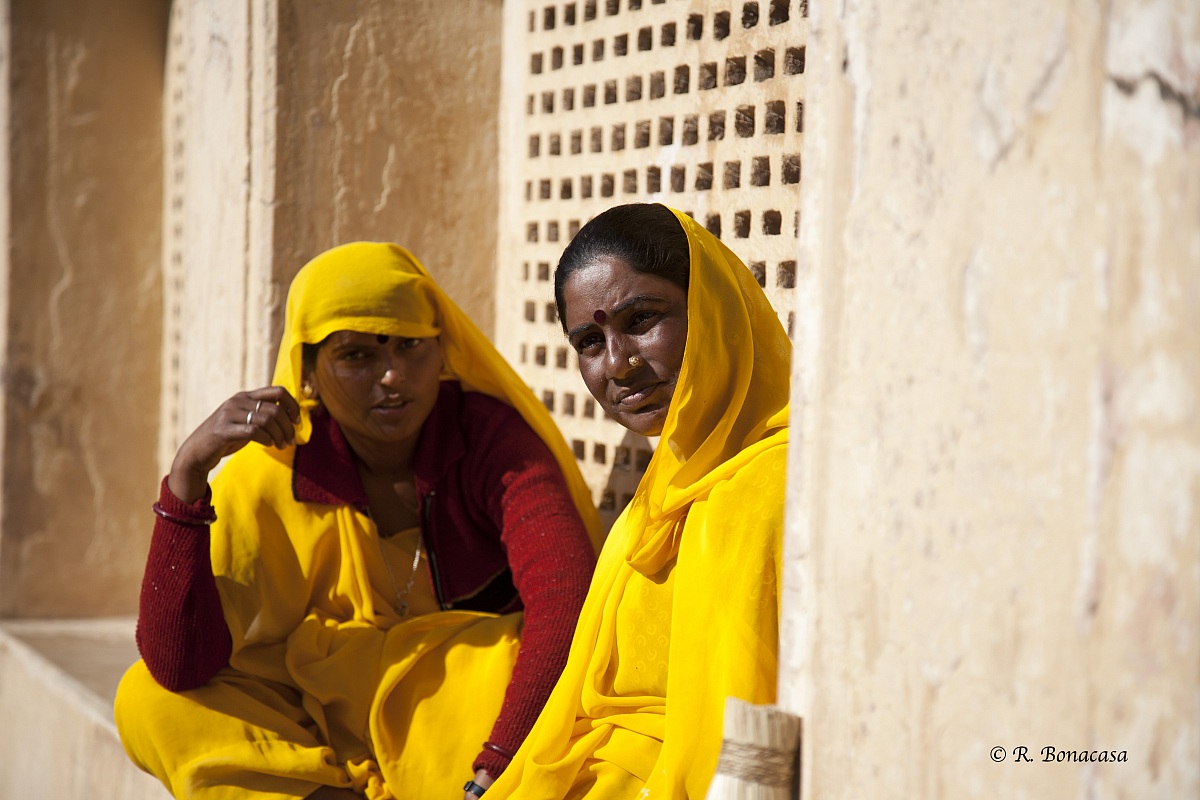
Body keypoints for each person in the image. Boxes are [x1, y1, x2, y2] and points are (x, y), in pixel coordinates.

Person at [114, 242, 604, 800]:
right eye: (356, 355)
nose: (393, 376)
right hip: (324, 708)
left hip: (457, 713)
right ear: (308, 372)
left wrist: (497, 760)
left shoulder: (488, 441)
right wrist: (186, 478)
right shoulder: (276, 470)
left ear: (441, 350)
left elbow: (565, 598)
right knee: (147, 699)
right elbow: (179, 665)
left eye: (409, 346)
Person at [485, 203, 791, 799]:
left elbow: (756, 741)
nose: (618, 364)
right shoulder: (657, 495)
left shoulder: (773, 488)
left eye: (642, 318)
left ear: (711, 307)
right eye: (590, 341)